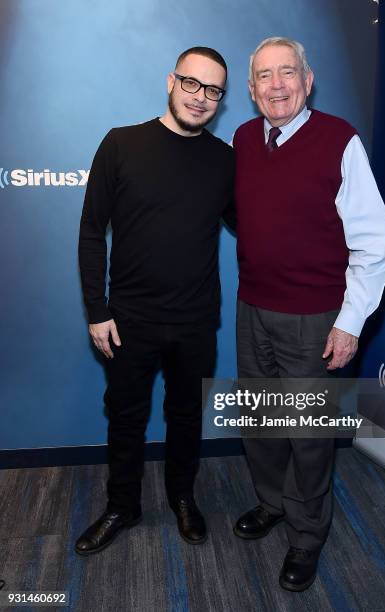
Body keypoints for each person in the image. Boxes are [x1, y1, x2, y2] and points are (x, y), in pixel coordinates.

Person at [232, 37, 385, 592]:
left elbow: (376, 243)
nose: (276, 85)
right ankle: (271, 503)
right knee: (262, 420)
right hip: (252, 307)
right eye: (264, 76)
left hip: (316, 317)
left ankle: (306, 536)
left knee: (307, 433)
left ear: (308, 79)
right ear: (252, 90)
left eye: (287, 73)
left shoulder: (339, 140)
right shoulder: (244, 138)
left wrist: (349, 321)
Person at [76, 47, 235, 555]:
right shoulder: (122, 144)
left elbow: (255, 226)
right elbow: (90, 230)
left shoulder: (224, 159)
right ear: (171, 81)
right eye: (192, 84)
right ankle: (122, 505)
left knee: (186, 414)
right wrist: (96, 309)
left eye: (213, 90)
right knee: (125, 416)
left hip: (195, 320)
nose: (201, 98)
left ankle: (183, 499)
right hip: (129, 319)